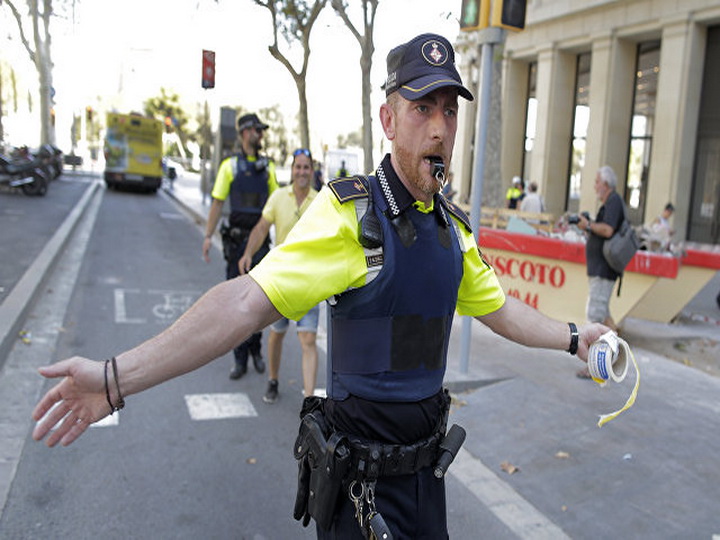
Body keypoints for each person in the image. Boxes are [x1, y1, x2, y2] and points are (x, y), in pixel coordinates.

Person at [31, 33, 608, 539]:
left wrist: (576, 337)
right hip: (362, 500)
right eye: (422, 108)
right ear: (388, 120)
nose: (439, 127)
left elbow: (501, 310)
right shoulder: (348, 217)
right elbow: (241, 303)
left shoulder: (451, 232)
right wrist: (114, 379)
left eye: (449, 112)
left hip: (428, 489)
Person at [238, 148, 320, 404]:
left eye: (306, 167)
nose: (302, 172)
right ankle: (273, 380)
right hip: (281, 279)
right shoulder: (278, 197)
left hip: (309, 281)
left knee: (308, 338)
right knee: (277, 334)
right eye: (298, 167)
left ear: (312, 170)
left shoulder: (321, 201)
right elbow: (263, 227)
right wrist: (248, 253)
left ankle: (309, 400)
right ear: (292, 170)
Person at [201, 112, 279, 379]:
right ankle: (239, 358)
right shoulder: (230, 166)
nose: (260, 135)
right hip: (236, 242)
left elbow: (275, 205)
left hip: (259, 243)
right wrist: (208, 235)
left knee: (259, 301)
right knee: (235, 303)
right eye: (257, 130)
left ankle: (256, 352)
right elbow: (217, 202)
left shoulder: (268, 168)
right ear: (245, 132)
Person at [575, 165, 624, 378]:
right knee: (603, 315)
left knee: (594, 316)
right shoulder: (610, 203)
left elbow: (607, 229)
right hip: (602, 269)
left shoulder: (613, 202)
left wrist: (589, 225)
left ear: (605, 184)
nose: (594, 186)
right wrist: (588, 227)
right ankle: (615, 354)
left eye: (596, 182)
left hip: (604, 269)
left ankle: (596, 365)